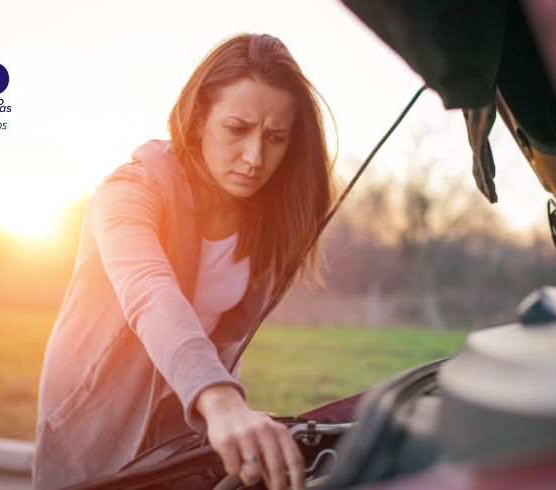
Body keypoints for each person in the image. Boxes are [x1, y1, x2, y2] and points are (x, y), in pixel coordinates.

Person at [33, 33, 334, 490]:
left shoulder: (268, 215)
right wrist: (222, 401)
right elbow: (150, 293)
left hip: (185, 427)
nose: (255, 157)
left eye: (276, 137)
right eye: (236, 129)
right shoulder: (130, 191)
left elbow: (224, 333)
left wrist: (222, 408)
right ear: (198, 119)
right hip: (96, 420)